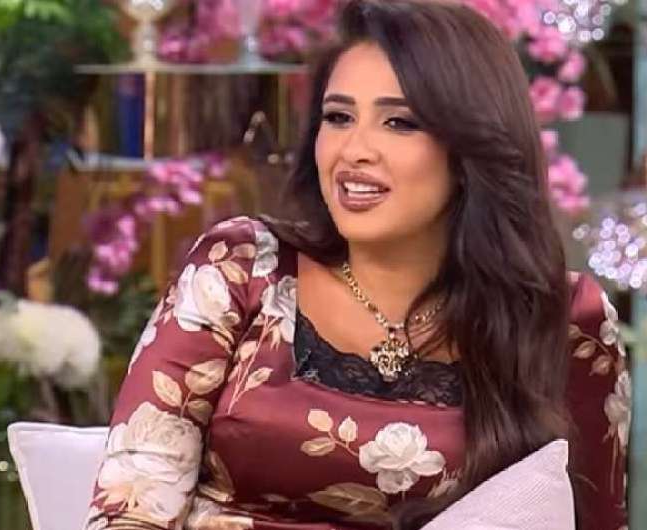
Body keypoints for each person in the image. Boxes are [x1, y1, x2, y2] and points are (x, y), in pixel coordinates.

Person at [83, 1, 629, 529]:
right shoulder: (240, 271)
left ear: (470, 148)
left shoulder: (563, 320)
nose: (353, 151)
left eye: (399, 123)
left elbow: (594, 520)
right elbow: (130, 511)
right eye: (338, 117)